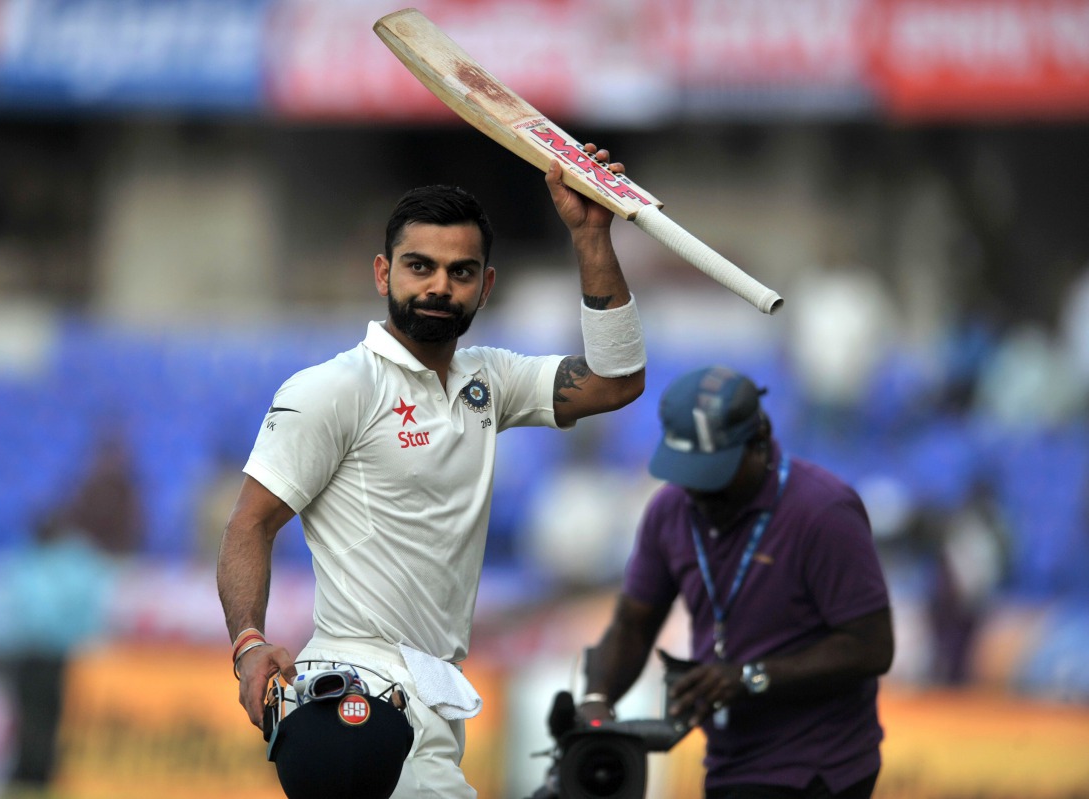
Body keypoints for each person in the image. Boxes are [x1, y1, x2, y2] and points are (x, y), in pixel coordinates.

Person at [217, 146, 647, 798]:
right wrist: (249, 643)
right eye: (420, 267)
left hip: (435, 686)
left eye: (460, 271)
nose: (440, 285)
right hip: (359, 683)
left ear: (487, 285)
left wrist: (590, 234)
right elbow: (250, 523)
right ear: (383, 273)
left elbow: (617, 383)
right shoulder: (334, 388)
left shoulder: (490, 379)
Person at [580, 365, 895, 799]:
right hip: (731, 758)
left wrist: (749, 678)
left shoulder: (824, 511)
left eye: (715, 475)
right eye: (689, 474)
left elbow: (871, 646)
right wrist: (596, 702)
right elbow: (633, 624)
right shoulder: (671, 509)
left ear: (759, 443)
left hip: (819, 763)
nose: (700, 494)